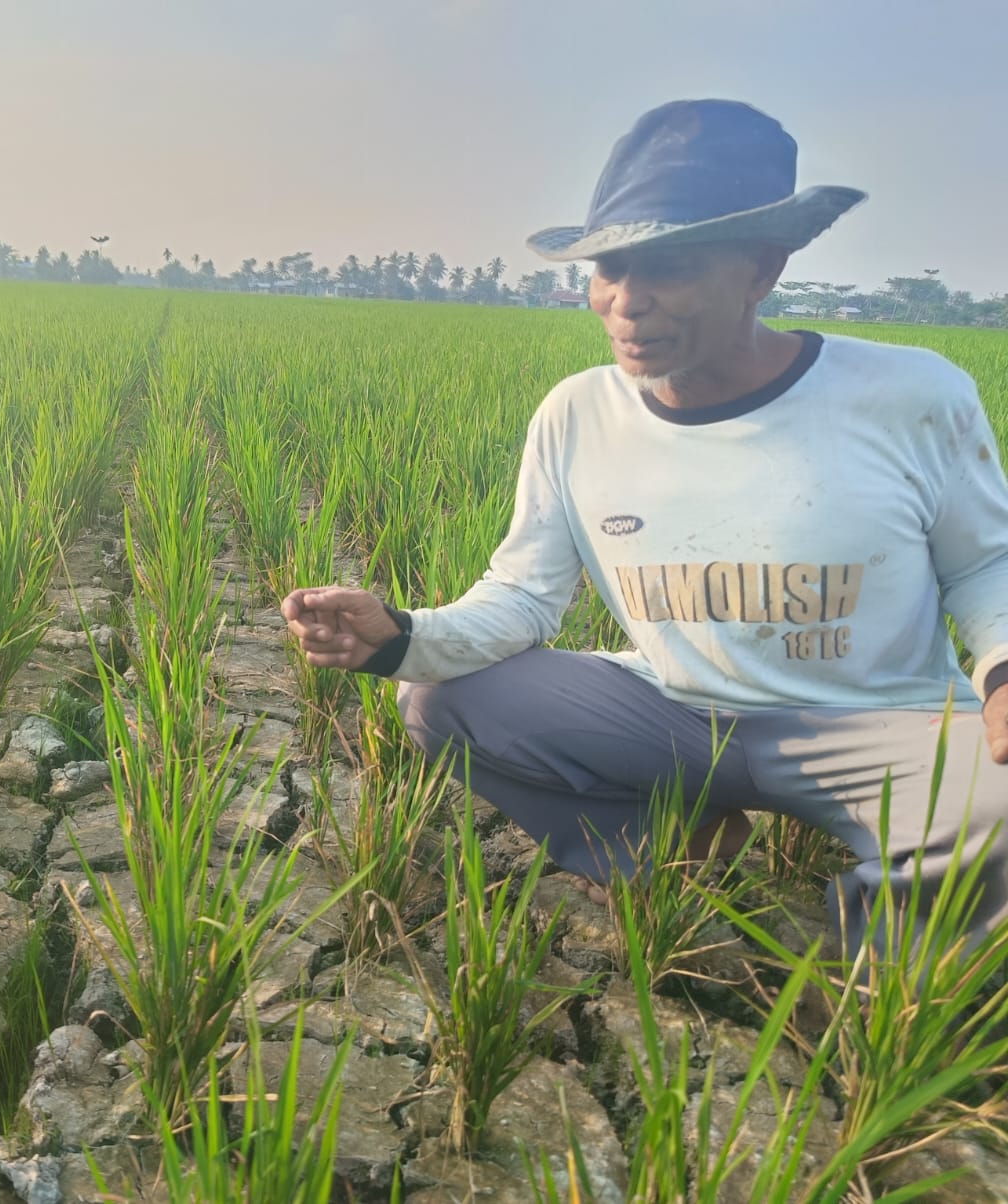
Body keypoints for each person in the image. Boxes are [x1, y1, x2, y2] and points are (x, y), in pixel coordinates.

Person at [281, 98, 1008, 954]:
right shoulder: (578, 413)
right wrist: (402, 635)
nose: (627, 302)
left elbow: (985, 564)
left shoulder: (910, 396)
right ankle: (681, 843)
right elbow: (521, 595)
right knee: (444, 700)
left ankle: (880, 986)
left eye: (670, 265)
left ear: (762, 269)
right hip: (675, 710)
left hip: (878, 725)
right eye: (609, 269)